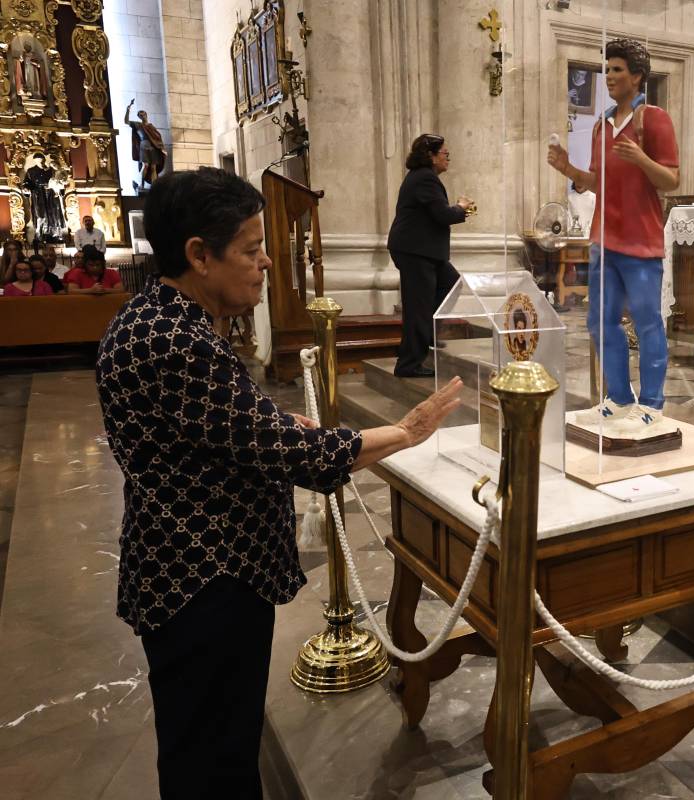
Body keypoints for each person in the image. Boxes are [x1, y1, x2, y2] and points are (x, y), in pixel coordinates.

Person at [96, 167, 464, 798]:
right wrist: (404, 433)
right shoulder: (175, 339)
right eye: (251, 249)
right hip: (202, 578)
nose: (266, 262)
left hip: (193, 569)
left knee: (215, 741)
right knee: (212, 757)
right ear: (199, 255)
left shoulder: (161, 319)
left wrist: (267, 420)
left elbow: (214, 429)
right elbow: (290, 455)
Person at [547, 37, 679, 435]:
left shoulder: (653, 119)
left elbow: (671, 180)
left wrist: (642, 158)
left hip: (640, 241)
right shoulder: (600, 126)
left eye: (617, 69)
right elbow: (595, 182)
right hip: (604, 239)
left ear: (637, 76)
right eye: (607, 69)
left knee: (647, 321)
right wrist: (568, 169)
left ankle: (652, 405)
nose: (609, 76)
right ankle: (619, 398)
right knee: (600, 321)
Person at [387, 134, 473, 377]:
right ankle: (408, 364)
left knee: (450, 282)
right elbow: (443, 215)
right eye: (445, 154)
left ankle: (428, 332)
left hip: (423, 250)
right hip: (415, 251)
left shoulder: (424, 177)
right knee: (418, 308)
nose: (448, 158)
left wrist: (458, 210)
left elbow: (435, 213)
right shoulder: (425, 178)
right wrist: (461, 207)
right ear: (431, 156)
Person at [126, 99, 167, 193]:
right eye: (140, 115)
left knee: (153, 167)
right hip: (144, 146)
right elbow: (126, 121)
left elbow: (157, 138)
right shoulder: (138, 125)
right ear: (139, 117)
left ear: (146, 115)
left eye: (143, 114)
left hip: (153, 148)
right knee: (146, 165)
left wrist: (162, 148)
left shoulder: (151, 126)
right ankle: (142, 184)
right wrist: (128, 110)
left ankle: (154, 186)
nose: (142, 116)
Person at [23, 153, 67, 240]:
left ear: (44, 160)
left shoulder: (51, 170)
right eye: (38, 161)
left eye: (42, 161)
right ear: (35, 161)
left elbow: (59, 181)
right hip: (38, 194)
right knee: (40, 213)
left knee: (54, 212)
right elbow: (27, 183)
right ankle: (40, 234)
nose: (40, 163)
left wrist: (60, 189)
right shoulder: (31, 171)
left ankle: (55, 234)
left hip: (51, 193)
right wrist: (26, 188)